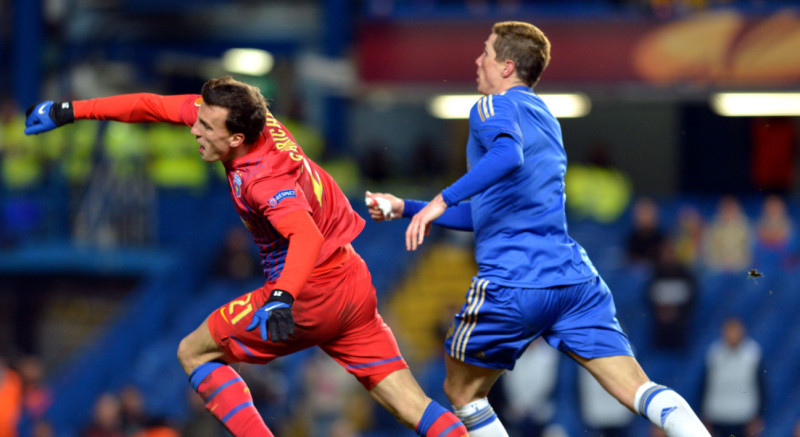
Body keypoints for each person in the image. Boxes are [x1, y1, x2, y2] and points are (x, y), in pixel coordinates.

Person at [24, 77, 468, 437]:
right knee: (415, 408)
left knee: (194, 353)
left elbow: (306, 237)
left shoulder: (262, 180)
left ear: (236, 137)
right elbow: (152, 106)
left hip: (309, 290)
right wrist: (72, 111)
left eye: (205, 127)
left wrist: (282, 297)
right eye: (198, 119)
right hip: (352, 284)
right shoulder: (249, 119)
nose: (194, 129)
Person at [366, 21, 709, 437]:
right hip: (573, 280)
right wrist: (405, 208)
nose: (478, 61)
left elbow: (507, 155)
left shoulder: (491, 107)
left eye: (486, 54)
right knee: (638, 388)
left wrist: (442, 199)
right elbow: (491, 214)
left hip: (514, 283)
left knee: (463, 393)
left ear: (506, 67)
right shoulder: (546, 117)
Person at [701, 317, 765, 437]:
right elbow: (704, 386)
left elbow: (761, 387)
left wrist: (758, 416)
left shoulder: (753, 355)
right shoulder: (714, 354)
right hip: (717, 416)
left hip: (744, 417)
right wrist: (704, 416)